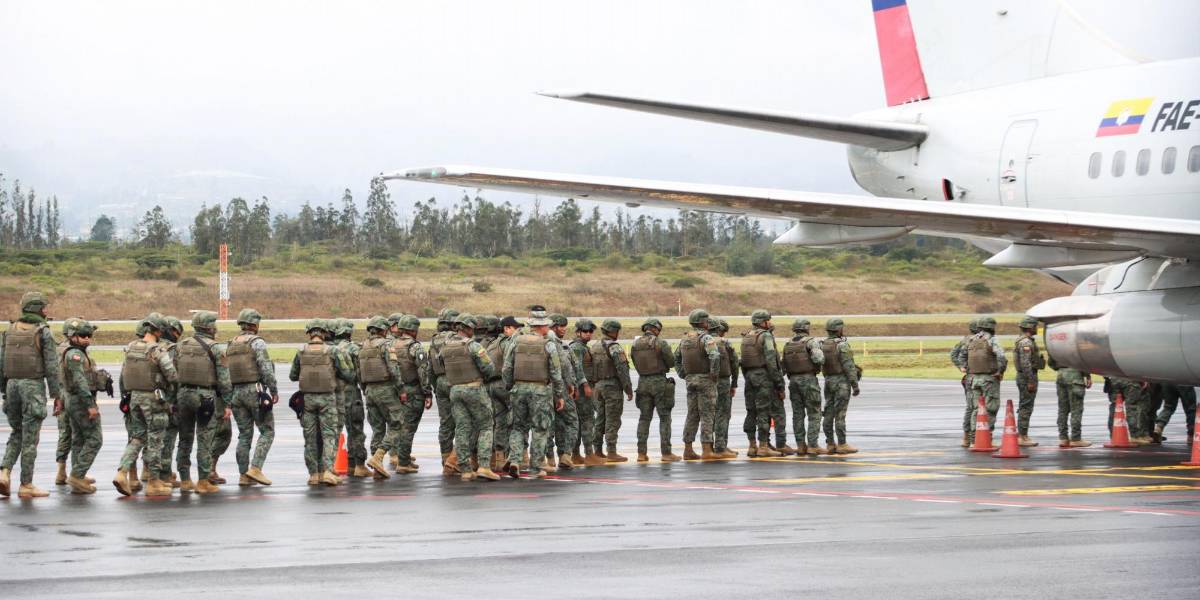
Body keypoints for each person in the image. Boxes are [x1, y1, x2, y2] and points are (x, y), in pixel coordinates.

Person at [114, 313, 179, 497]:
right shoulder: (156, 350)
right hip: (154, 400)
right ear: (158, 331)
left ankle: (122, 472)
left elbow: (124, 374)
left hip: (134, 398)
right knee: (156, 440)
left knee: (137, 438)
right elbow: (172, 375)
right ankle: (154, 481)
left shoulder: (131, 347)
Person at [173, 311, 233, 494]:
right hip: (205, 397)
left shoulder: (181, 346)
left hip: (183, 394)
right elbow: (224, 380)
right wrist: (227, 403)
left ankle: (184, 479)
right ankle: (203, 480)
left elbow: (174, 372)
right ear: (209, 327)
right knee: (205, 438)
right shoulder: (216, 348)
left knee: (184, 438)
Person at [289, 319, 355, 486]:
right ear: (324, 333)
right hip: (328, 399)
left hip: (307, 400)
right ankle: (328, 471)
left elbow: (293, 376)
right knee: (329, 436)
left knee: (310, 438)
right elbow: (348, 374)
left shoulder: (301, 351)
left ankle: (314, 474)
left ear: (309, 333)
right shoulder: (332, 351)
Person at [504, 309, 565, 478]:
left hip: (519, 388)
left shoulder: (516, 341)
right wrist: (559, 395)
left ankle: (515, 460)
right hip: (540, 391)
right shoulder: (548, 344)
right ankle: (536, 466)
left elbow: (507, 367)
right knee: (540, 428)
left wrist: (511, 386)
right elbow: (556, 373)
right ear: (543, 326)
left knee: (517, 427)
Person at [56, 318, 110, 494]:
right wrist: (90, 405)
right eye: (83, 335)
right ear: (72, 336)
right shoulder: (75, 355)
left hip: (73, 400)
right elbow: (80, 381)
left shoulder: (76, 353)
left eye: (90, 335)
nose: (88, 338)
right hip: (80, 401)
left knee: (78, 439)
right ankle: (77, 475)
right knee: (95, 439)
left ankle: (77, 474)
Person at [444, 314, 501, 481]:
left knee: (462, 429)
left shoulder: (445, 346)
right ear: (467, 328)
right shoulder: (473, 346)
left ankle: (465, 470)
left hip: (455, 390)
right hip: (474, 389)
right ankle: (484, 466)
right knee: (485, 426)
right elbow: (489, 368)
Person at [226, 308, 278, 486]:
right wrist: (273, 390)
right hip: (254, 391)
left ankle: (243, 475)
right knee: (267, 431)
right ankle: (255, 468)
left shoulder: (231, 343)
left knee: (244, 435)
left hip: (236, 393)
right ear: (255, 325)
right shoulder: (257, 343)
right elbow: (266, 368)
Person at [630, 317, 678, 463]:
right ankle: (666, 453)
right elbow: (671, 362)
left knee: (644, 418)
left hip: (642, 382)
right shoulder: (660, 343)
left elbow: (634, 361)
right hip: (659, 382)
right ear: (656, 329)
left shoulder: (635, 344)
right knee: (664, 418)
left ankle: (641, 453)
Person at [741, 310, 789, 457]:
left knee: (751, 411)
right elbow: (771, 361)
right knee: (763, 411)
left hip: (749, 377)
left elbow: (743, 361)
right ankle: (763, 446)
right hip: (763, 377)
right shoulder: (766, 336)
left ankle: (752, 446)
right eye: (768, 320)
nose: (770, 322)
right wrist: (779, 384)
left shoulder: (747, 336)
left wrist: (748, 376)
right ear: (763, 322)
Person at [677, 310, 722, 459]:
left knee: (692, 414)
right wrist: (714, 375)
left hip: (690, 380)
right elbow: (715, 356)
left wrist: (683, 374)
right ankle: (707, 450)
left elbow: (676, 358)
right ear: (703, 322)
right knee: (707, 414)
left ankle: (688, 449)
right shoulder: (706, 338)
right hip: (705, 380)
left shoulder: (685, 339)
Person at [391, 315, 433, 474]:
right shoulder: (415, 347)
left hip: (397, 391)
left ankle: (405, 458)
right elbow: (423, 372)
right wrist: (427, 393)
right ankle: (403, 463)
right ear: (413, 330)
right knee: (409, 428)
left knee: (402, 426)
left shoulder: (392, 344)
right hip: (413, 391)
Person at [588, 319, 633, 462]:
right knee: (612, 419)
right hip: (612, 387)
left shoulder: (594, 346)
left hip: (597, 387)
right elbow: (622, 369)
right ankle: (611, 451)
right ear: (613, 331)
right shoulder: (614, 347)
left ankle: (598, 450)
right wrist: (628, 388)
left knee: (600, 419)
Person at [782, 319, 825, 456]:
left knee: (798, 414)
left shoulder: (787, 344)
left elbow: (783, 365)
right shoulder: (811, 342)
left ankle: (801, 446)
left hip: (793, 381)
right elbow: (819, 359)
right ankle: (813, 445)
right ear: (806, 328)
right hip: (809, 380)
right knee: (814, 413)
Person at [963, 316, 1007, 444]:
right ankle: (987, 437)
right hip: (989, 380)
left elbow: (962, 356)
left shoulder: (970, 340)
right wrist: (1000, 371)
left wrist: (967, 370)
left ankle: (973, 439)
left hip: (973, 379)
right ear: (992, 327)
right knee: (991, 407)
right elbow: (1001, 357)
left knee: (976, 409)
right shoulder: (992, 340)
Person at [820, 318, 861, 455]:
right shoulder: (842, 345)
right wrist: (855, 385)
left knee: (828, 412)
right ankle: (842, 444)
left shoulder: (823, 344)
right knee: (840, 414)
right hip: (841, 382)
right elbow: (849, 366)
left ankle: (830, 444)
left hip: (828, 381)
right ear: (838, 329)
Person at [486, 316, 522, 469]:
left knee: (499, 422)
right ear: (507, 328)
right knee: (516, 420)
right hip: (504, 384)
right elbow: (510, 365)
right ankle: (515, 456)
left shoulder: (493, 344)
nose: (518, 331)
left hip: (492, 386)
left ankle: (499, 458)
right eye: (516, 328)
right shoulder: (509, 343)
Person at [333, 318, 367, 476]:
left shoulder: (330, 348)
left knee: (337, 429)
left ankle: (345, 466)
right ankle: (358, 465)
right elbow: (360, 371)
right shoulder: (354, 348)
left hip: (333, 394)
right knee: (356, 429)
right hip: (351, 392)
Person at [548, 314, 583, 469]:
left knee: (551, 424)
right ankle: (566, 455)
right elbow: (568, 367)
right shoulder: (559, 345)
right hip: (560, 387)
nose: (564, 329)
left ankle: (549, 458)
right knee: (572, 421)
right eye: (561, 326)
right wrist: (572, 385)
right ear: (553, 326)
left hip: (543, 388)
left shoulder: (539, 342)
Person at [428, 308, 460, 474]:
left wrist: (433, 388)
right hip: (455, 380)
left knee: (446, 423)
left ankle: (445, 459)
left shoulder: (433, 341)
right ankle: (454, 460)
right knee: (465, 421)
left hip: (440, 381)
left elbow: (429, 368)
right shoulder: (456, 339)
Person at [569, 318, 600, 465]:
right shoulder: (577, 347)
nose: (589, 334)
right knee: (587, 420)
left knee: (581, 422)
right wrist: (585, 385)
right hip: (582, 390)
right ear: (578, 332)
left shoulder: (581, 346)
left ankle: (576, 454)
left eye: (590, 331)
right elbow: (578, 368)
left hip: (580, 389)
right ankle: (589, 454)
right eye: (585, 331)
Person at [1013, 316, 1045, 447]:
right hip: (1027, 377)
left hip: (1024, 377)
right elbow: (1026, 364)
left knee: (1024, 405)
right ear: (1030, 327)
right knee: (1026, 406)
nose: (1036, 328)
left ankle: (1022, 434)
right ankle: (1022, 436)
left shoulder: (1024, 341)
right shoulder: (1026, 342)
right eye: (1035, 326)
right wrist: (1031, 381)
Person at [711, 319, 739, 458]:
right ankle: (721, 447)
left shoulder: (698, 341)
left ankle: (707, 447)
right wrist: (734, 383)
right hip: (722, 382)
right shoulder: (723, 343)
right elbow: (734, 363)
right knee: (723, 414)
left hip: (705, 383)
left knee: (708, 415)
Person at [1049, 354, 1091, 447]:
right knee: (1076, 410)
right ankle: (1076, 438)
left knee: (1062, 410)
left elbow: (1051, 362)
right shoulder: (1075, 343)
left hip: (1060, 374)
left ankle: (1063, 438)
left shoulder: (1056, 343)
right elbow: (1083, 359)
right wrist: (1087, 376)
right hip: (1075, 375)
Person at [950, 318, 980, 447]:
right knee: (975, 408)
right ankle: (973, 437)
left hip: (968, 377)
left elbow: (953, 354)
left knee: (970, 407)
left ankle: (966, 437)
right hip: (976, 376)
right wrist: (962, 366)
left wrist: (961, 367)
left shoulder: (965, 340)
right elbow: (953, 354)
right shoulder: (978, 340)